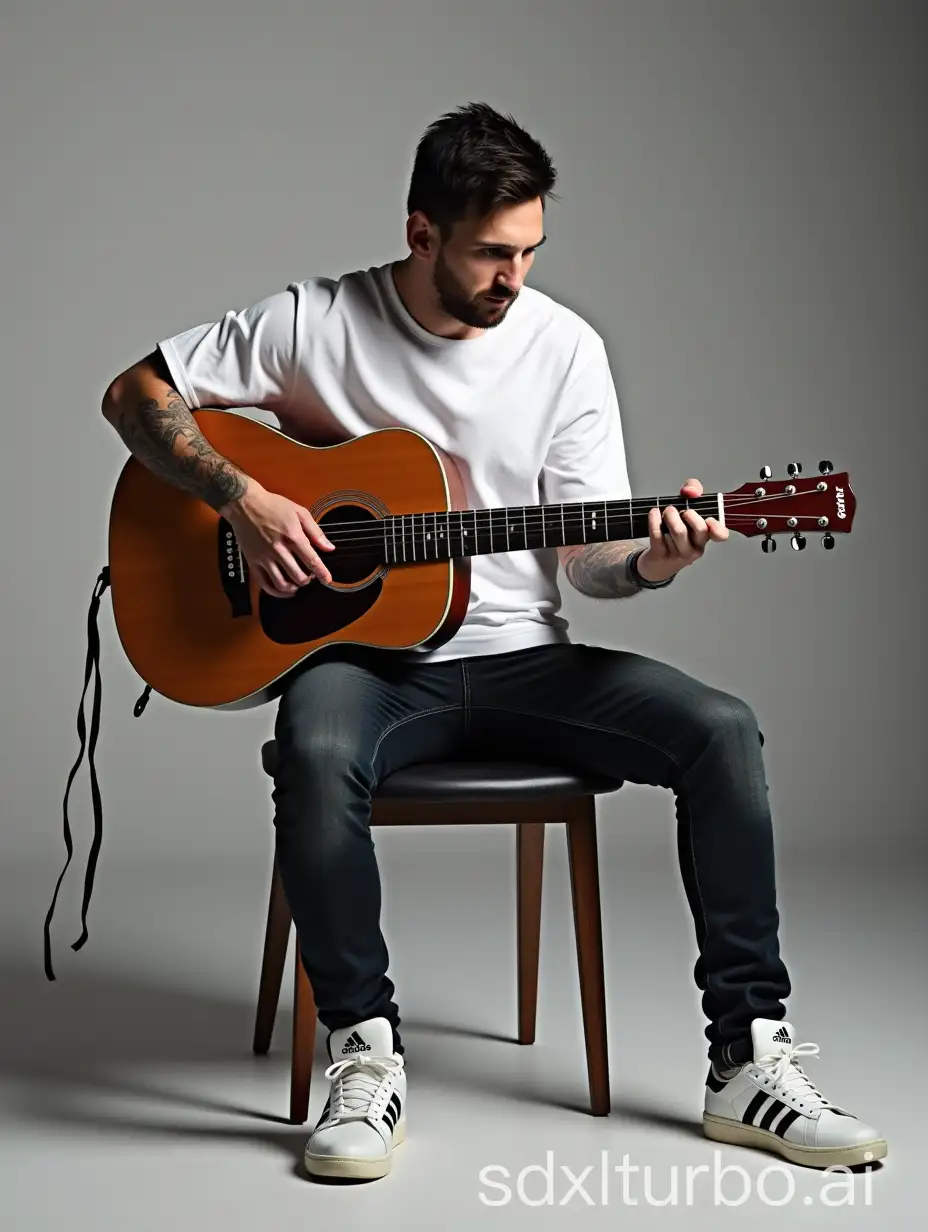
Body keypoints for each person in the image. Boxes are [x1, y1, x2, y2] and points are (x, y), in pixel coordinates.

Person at [101, 102, 885, 1182]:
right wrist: (240, 497)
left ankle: (745, 1061)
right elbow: (134, 394)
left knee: (722, 729)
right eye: (489, 253)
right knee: (317, 745)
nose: (513, 277)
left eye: (529, 251)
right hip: (368, 669)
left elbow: (591, 564)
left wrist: (652, 560)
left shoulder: (564, 349)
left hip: (528, 657)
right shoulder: (314, 321)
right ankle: (363, 1049)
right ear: (421, 232)